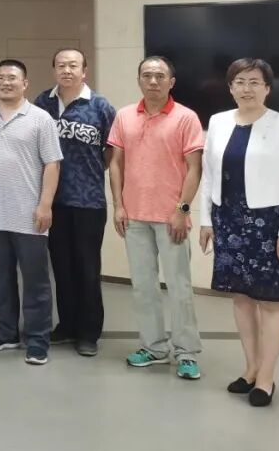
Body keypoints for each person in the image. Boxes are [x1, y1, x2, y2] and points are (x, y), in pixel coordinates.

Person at [198, 58, 279, 407]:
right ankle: (250, 369)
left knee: (271, 301)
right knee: (242, 297)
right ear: (230, 87)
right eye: (240, 82)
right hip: (228, 220)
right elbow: (209, 176)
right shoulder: (218, 122)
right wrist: (206, 220)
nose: (247, 88)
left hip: (269, 224)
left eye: (254, 82)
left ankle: (266, 378)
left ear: (267, 88)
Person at [108, 56, 205, 381]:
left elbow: (194, 168)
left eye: (160, 76)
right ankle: (153, 347)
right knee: (143, 286)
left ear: (171, 82)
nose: (153, 81)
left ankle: (186, 352)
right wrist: (118, 205)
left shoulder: (186, 117)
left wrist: (182, 211)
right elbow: (116, 163)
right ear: (139, 80)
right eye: (147, 75)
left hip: (171, 218)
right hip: (134, 217)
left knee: (179, 287)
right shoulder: (124, 116)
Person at [0, 59, 63, 365]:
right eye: (0, 77)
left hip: (29, 214)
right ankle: (6, 333)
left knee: (36, 281)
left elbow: (52, 164)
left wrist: (45, 204)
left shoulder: (40, 119)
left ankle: (38, 340)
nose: (6, 82)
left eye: (12, 77)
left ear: (25, 83)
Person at [32, 48, 116, 357]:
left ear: (84, 71)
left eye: (73, 65)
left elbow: (111, 151)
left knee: (87, 268)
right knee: (62, 267)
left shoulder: (100, 106)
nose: (67, 70)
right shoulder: (42, 103)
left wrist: (90, 171)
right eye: (61, 65)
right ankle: (67, 325)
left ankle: (89, 332)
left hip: (88, 201)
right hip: (52, 200)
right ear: (54, 69)